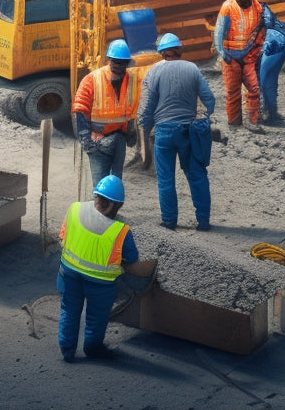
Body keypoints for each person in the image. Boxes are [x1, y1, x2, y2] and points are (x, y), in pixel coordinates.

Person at [138, 33, 216, 231]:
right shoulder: (192, 68)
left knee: (166, 179)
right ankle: (203, 221)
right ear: (178, 49)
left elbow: (146, 107)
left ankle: (169, 221)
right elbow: (209, 99)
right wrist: (203, 119)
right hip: (188, 131)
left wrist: (145, 130)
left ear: (162, 52)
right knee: (197, 176)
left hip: (163, 133)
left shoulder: (154, 72)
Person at [57, 175, 139, 362]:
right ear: (117, 205)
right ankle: (92, 349)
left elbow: (62, 236)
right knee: (97, 317)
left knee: (69, 309)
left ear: (96, 196)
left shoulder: (74, 209)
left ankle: (67, 350)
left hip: (69, 273)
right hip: (101, 284)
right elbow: (132, 259)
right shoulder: (121, 231)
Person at [213, 0, 277, 130]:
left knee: (254, 89)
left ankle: (252, 121)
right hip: (230, 56)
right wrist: (222, 53)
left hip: (248, 56)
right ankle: (234, 123)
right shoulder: (228, 7)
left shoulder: (257, 7)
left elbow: (262, 29)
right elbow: (219, 33)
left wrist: (257, 51)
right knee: (233, 92)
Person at [72, 39, 140, 187]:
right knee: (100, 185)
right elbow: (80, 109)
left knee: (115, 185)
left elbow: (131, 109)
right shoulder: (92, 79)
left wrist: (130, 133)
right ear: (108, 60)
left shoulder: (131, 81)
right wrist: (85, 140)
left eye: (122, 63)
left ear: (127, 63)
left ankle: (111, 209)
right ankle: (101, 208)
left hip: (119, 138)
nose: (118, 66)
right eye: (115, 62)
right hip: (97, 139)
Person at [258, 26, 285, 125]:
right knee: (268, 79)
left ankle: (271, 115)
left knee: (266, 80)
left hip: (274, 40)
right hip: (275, 39)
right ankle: (270, 114)